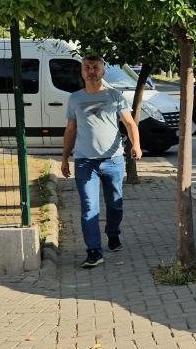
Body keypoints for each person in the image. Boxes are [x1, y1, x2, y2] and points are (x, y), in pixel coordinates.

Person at [60, 55, 143, 269]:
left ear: (103, 71)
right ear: (82, 72)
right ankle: (94, 251)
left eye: (95, 67)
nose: (91, 71)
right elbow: (70, 130)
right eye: (87, 68)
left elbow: (129, 123)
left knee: (115, 204)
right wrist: (65, 158)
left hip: (113, 161)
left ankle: (113, 233)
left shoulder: (115, 95)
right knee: (89, 207)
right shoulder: (75, 98)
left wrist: (135, 145)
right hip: (84, 162)